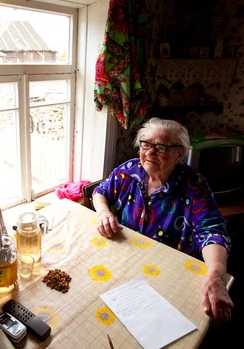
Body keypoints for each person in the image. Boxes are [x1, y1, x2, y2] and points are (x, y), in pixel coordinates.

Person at [92, 117, 233, 324]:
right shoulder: (128, 171)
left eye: (161, 147)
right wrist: (103, 212)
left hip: (169, 271)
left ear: (179, 155)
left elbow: (212, 234)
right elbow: (100, 191)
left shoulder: (194, 186)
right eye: (146, 144)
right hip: (127, 259)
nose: (150, 152)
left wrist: (216, 275)